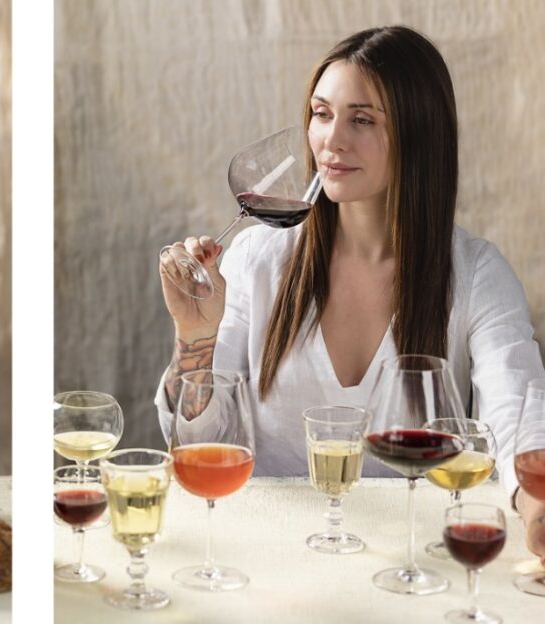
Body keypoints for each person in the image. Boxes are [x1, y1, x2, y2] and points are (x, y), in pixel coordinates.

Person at [156, 26, 545, 561]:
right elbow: (198, 444)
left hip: (412, 559)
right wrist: (194, 336)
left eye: (362, 120)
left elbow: (518, 407)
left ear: (418, 134)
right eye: (321, 113)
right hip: (266, 554)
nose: (330, 141)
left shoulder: (476, 273)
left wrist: (535, 502)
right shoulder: (256, 261)